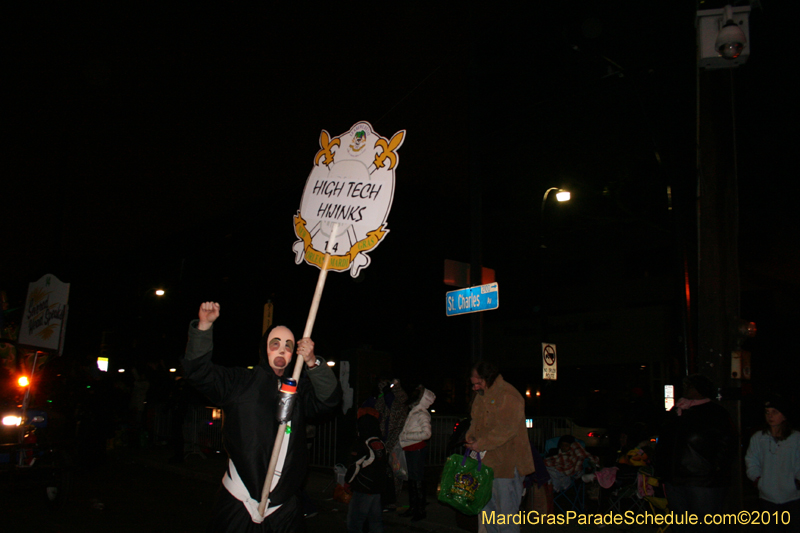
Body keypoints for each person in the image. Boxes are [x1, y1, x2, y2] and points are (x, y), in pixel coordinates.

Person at [181, 302, 342, 532]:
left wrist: (312, 363)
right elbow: (199, 373)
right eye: (275, 344)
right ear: (264, 348)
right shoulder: (241, 382)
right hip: (239, 499)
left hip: (284, 506)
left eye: (288, 346)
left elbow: (329, 401)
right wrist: (204, 326)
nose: (281, 350)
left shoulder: (300, 389)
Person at [653, 374, 736, 533]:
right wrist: (662, 470)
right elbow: (664, 441)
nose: (685, 389)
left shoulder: (715, 413)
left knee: (705, 526)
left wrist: (712, 470)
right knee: (682, 526)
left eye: (689, 386)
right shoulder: (677, 412)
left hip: (702, 483)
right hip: (675, 481)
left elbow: (727, 445)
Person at [466, 361, 535, 533]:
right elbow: (475, 422)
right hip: (486, 465)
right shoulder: (481, 396)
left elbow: (506, 430)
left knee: (506, 517)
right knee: (488, 515)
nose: (474, 388)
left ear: (487, 379)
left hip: (507, 466)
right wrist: (471, 436)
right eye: (472, 383)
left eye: (477, 383)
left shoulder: (509, 395)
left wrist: (480, 443)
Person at [745, 396, 800, 532]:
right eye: (767, 412)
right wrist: (758, 480)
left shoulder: (796, 438)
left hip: (792, 497)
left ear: (784, 415)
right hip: (767, 497)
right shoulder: (759, 438)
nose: (770, 416)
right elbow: (751, 460)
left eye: (774, 412)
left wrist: (796, 482)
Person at [345, 407, 388, 533]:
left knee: (355, 520)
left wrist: (347, 482)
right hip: (377, 488)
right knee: (375, 520)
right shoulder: (379, 442)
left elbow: (355, 466)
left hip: (363, 488)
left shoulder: (363, 444)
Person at [398, 385, 436, 521]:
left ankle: (420, 510)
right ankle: (414, 508)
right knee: (413, 480)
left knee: (417, 479)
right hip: (411, 449)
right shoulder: (415, 411)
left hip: (416, 449)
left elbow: (426, 434)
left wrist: (407, 436)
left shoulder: (421, 413)